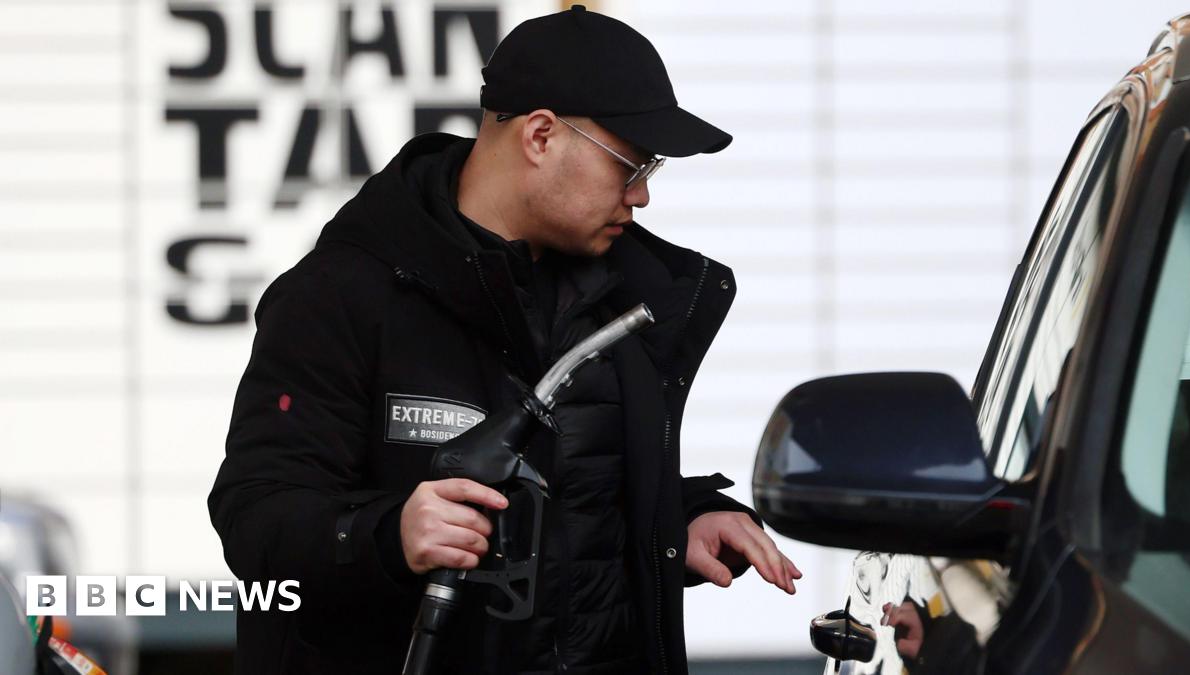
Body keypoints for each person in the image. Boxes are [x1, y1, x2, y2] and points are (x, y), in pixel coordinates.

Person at [208, 5, 801, 674]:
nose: (641, 198)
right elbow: (256, 517)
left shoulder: (625, 303)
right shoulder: (340, 294)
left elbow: (574, 496)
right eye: (631, 167)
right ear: (541, 136)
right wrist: (390, 535)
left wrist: (676, 522)